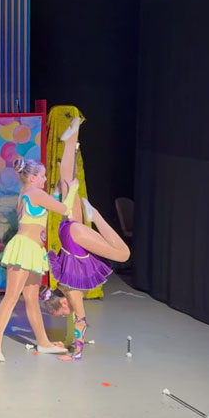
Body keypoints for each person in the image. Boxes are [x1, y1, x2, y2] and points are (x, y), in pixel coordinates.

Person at [43, 117, 131, 361]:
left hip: (75, 236)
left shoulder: (71, 293)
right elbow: (74, 319)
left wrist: (75, 353)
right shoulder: (62, 287)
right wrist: (67, 342)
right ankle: (72, 137)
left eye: (61, 314)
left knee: (124, 254)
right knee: (67, 182)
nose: (65, 315)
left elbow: (80, 320)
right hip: (67, 232)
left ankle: (97, 216)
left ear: (62, 303)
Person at [0, 158, 74, 361]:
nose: (45, 179)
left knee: (32, 298)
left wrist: (60, 184)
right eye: (42, 176)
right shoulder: (33, 193)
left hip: (34, 250)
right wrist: (74, 188)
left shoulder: (30, 193)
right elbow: (64, 209)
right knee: (11, 297)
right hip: (24, 248)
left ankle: (43, 342)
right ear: (32, 178)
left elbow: (51, 200)